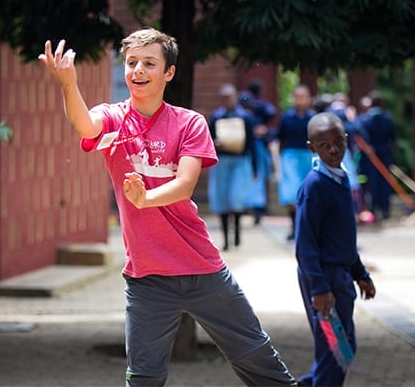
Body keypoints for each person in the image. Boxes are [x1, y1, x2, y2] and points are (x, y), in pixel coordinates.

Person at [39, 28, 296, 387]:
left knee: (259, 361)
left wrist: (146, 199)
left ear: (169, 72)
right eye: (131, 63)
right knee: (144, 378)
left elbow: (185, 184)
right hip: (146, 277)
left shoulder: (189, 123)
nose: (138, 70)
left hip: (201, 268)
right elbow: (84, 124)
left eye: (149, 63)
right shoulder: (113, 117)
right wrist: (68, 83)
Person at [295, 112, 376, 387]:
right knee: (336, 349)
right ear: (311, 148)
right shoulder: (315, 185)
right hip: (322, 279)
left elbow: (342, 238)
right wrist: (318, 286)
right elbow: (305, 243)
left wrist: (360, 272)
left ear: (345, 140)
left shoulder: (340, 179)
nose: (332, 150)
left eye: (337, 142)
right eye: (323, 145)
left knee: (339, 347)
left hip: (340, 277)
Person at [208, 83, 258, 250]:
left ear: (236, 97)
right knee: (221, 200)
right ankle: (225, 240)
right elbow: (208, 142)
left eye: (230, 97)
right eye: (224, 98)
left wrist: (255, 167)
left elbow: (252, 144)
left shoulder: (245, 117)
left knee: (236, 199)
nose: (227, 101)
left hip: (240, 161)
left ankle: (236, 232)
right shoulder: (216, 117)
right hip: (221, 161)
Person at [275, 84, 315, 240]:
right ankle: (294, 227)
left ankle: (308, 229)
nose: (299, 100)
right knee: (292, 194)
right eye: (297, 97)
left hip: (308, 156)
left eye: (302, 97)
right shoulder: (286, 117)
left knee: (309, 193)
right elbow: (280, 139)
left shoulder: (313, 117)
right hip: (290, 158)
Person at [239, 79, 277, 224]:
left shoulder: (250, 107)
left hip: (253, 147)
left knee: (257, 178)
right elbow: (272, 112)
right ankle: (252, 209)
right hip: (251, 147)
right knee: (255, 178)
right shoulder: (258, 106)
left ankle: (255, 210)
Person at [357, 90, 396, 221]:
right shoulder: (387, 118)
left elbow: (362, 137)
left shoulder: (366, 119)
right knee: (385, 181)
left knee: (372, 182)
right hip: (385, 153)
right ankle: (385, 209)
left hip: (371, 155)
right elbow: (392, 137)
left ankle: (373, 208)